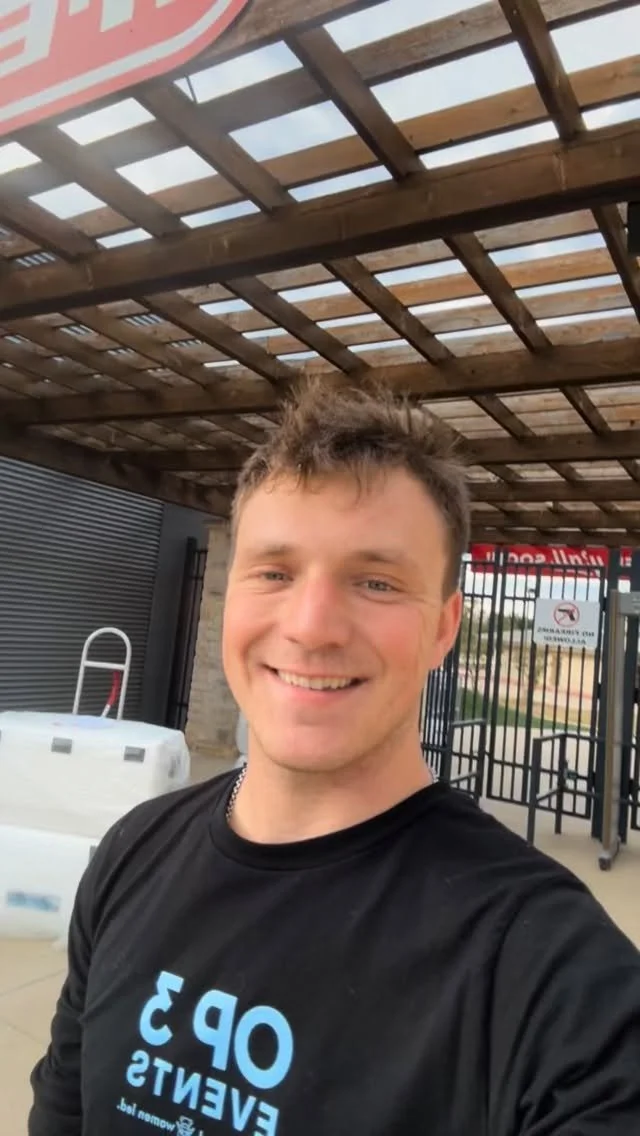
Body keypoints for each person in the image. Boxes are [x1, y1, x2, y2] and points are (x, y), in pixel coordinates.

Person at [30, 382, 640, 1136]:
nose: (312, 626)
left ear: (444, 627)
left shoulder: (550, 971)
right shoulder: (132, 852)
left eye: (376, 582)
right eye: (274, 572)